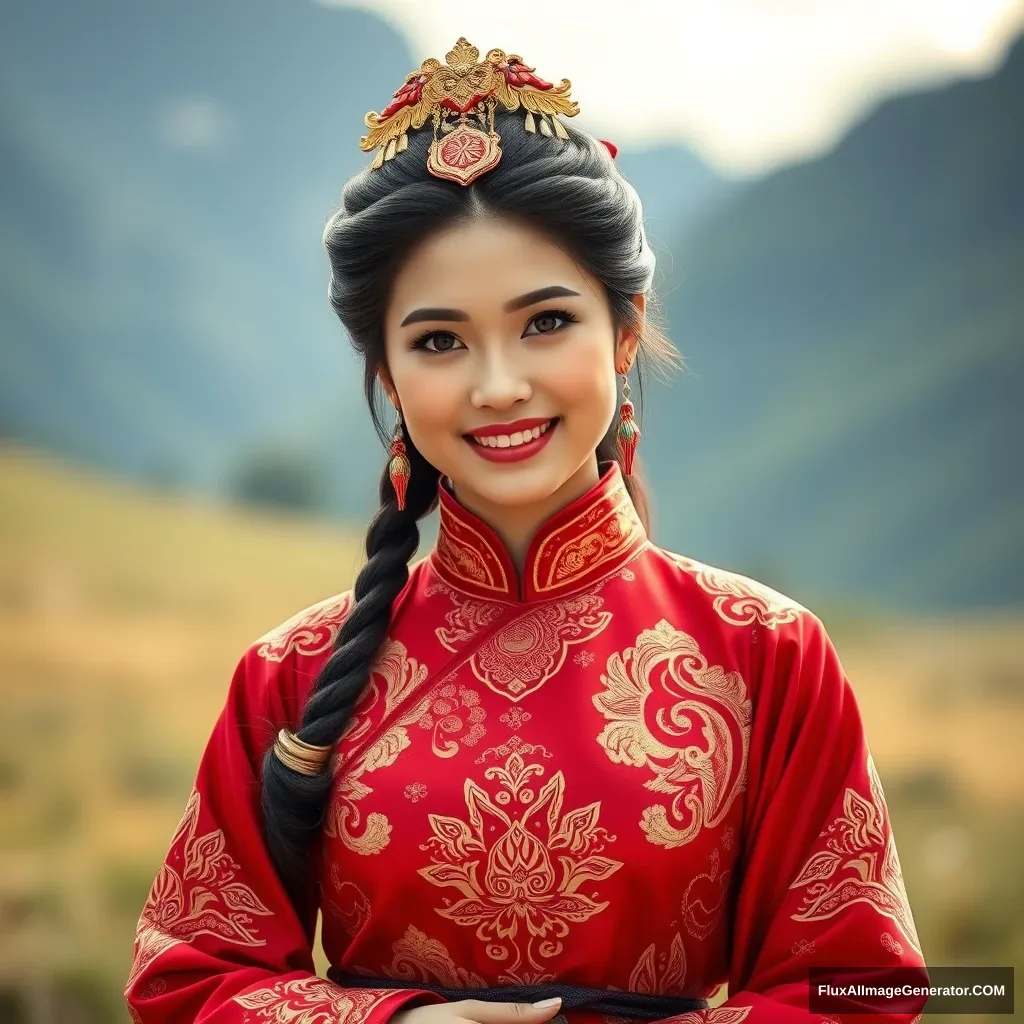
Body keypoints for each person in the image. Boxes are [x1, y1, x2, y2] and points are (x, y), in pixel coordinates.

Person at [125, 37, 928, 1024]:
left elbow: (868, 988)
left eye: (545, 322)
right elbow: (187, 979)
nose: (497, 383)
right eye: (438, 340)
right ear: (384, 372)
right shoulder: (290, 673)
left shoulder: (766, 657)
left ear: (624, 328)